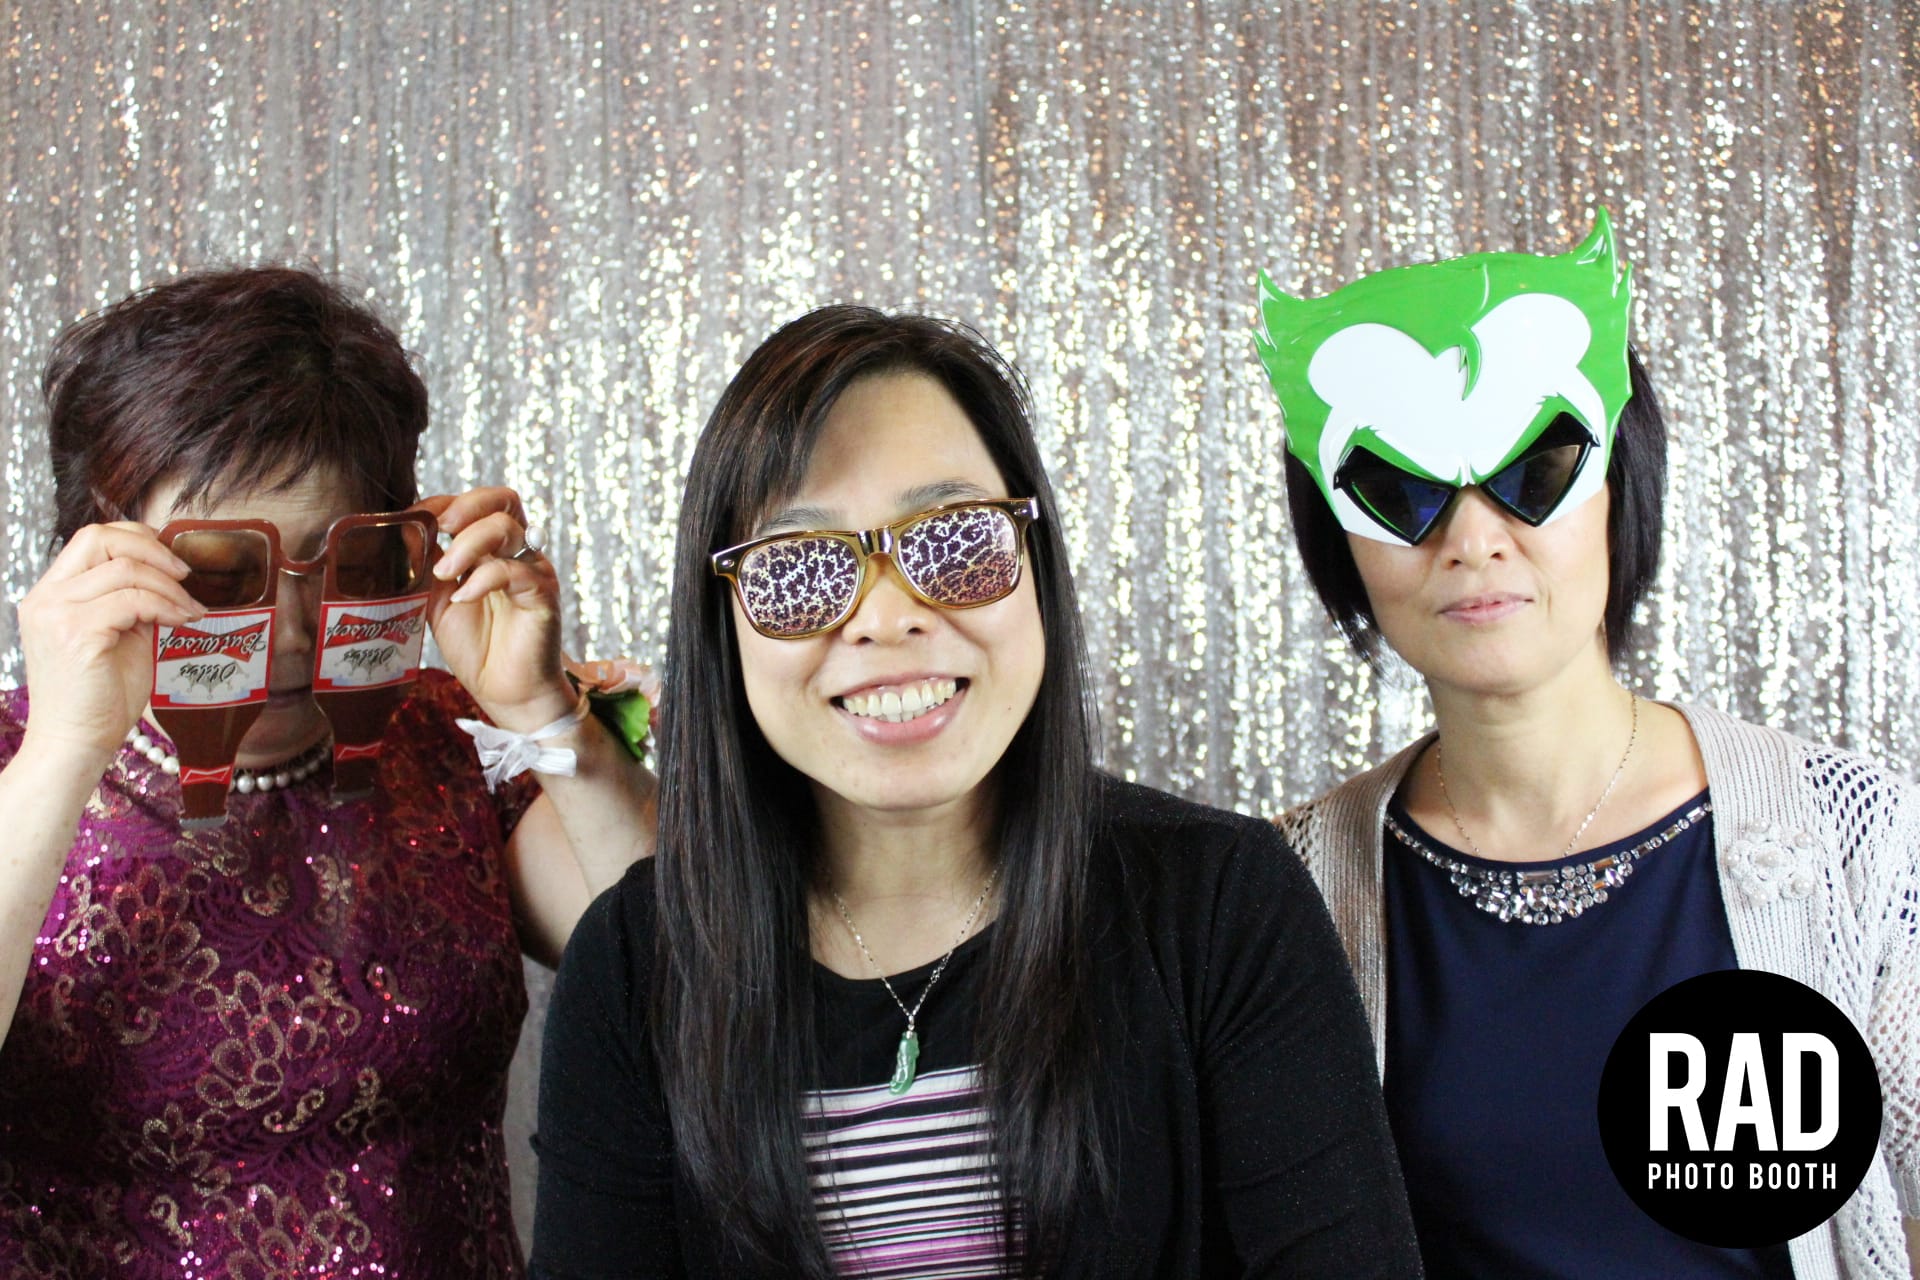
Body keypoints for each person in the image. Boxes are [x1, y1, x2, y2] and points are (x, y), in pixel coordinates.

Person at [530, 305, 1421, 1278]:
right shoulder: (630, 971)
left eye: (954, 541)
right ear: (722, 622)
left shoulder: (1224, 904)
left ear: (1035, 563)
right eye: (800, 567)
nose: (886, 616)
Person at [1257, 211, 1919, 1277]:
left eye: (1538, 470)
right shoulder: (1285, 890)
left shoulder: (1855, 842)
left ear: (1622, 486)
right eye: (1400, 492)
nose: (1474, 540)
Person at [0, 266, 653, 1274]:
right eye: (223, 571)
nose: (294, 629)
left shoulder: (458, 742)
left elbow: (683, 982)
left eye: (343, 561)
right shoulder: (18, 763)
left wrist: (538, 707)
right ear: (101, 548)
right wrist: (64, 749)